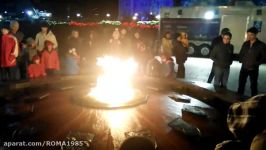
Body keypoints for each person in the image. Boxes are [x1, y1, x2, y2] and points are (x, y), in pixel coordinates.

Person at [237, 27, 266, 96]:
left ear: (256, 35)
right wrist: (241, 60)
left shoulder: (261, 45)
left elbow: (264, 57)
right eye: (248, 34)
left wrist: (256, 64)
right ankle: (238, 98)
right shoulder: (245, 44)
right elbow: (241, 53)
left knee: (253, 85)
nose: (249, 36)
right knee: (241, 84)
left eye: (251, 35)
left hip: (253, 69)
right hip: (244, 68)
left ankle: (254, 99)